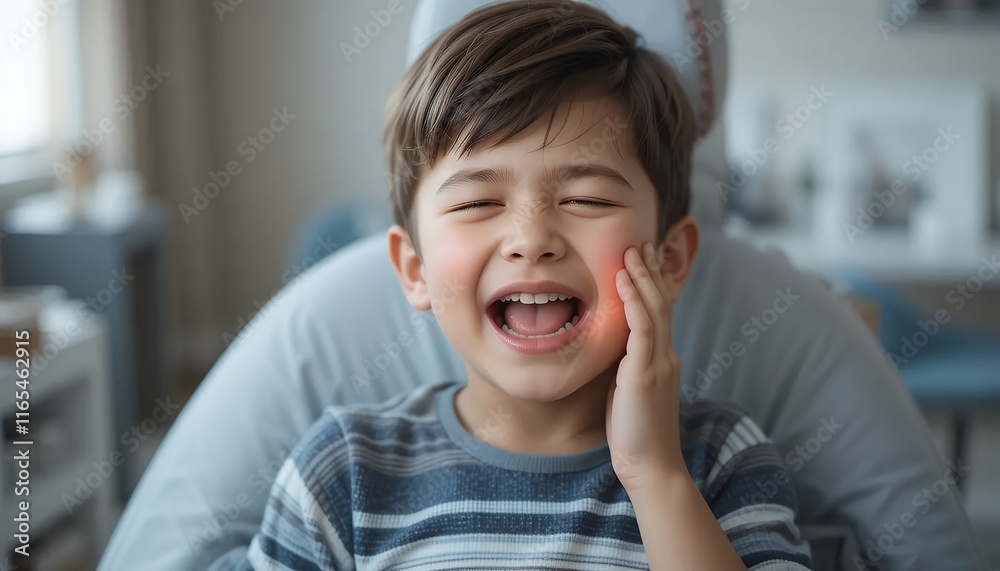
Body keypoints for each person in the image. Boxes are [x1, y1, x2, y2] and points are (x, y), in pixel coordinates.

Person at [211, 1, 813, 568]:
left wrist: (654, 473)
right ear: (415, 270)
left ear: (671, 260)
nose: (531, 238)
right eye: (477, 202)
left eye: (586, 199)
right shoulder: (343, 471)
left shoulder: (721, 461)